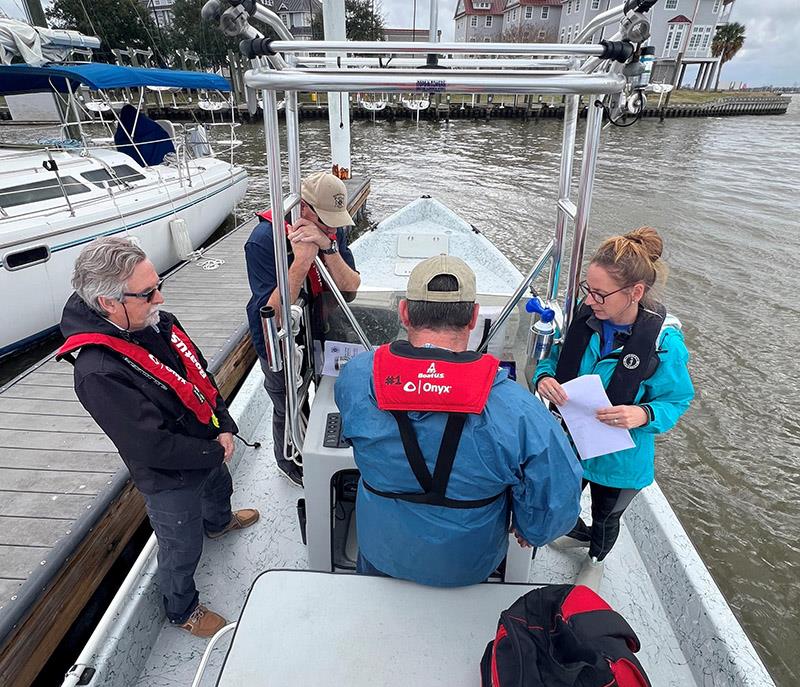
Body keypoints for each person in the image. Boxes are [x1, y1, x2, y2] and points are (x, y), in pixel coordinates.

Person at [334, 255, 583, 587]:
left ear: (405, 312)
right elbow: (558, 499)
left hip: (382, 552)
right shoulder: (519, 410)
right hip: (466, 566)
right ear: (474, 317)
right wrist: (531, 528)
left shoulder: (355, 378)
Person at [57, 237, 259, 638]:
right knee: (180, 548)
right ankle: (182, 608)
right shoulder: (98, 372)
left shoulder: (154, 320)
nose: (161, 298)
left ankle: (218, 523)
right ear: (108, 304)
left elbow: (199, 373)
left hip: (208, 445)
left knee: (220, 491)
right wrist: (213, 449)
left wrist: (225, 425)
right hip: (169, 477)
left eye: (158, 284)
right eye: (148, 292)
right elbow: (149, 445)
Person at [534, 227, 694, 592]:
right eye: (586, 290)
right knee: (562, 499)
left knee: (606, 516)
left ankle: (596, 557)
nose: (590, 301)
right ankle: (574, 532)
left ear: (635, 293)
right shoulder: (585, 317)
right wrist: (545, 378)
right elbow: (555, 360)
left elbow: (676, 399)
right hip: (572, 442)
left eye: (600, 294)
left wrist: (643, 415)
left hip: (621, 458)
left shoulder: (664, 344)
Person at [245, 171, 361, 487]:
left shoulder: (331, 231)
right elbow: (274, 316)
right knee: (288, 400)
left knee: (327, 387)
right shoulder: (263, 240)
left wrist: (328, 247)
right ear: (303, 208)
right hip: (280, 339)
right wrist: (301, 261)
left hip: (320, 325)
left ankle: (323, 442)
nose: (331, 227)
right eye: (324, 221)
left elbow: (350, 288)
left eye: (335, 222)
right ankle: (288, 460)